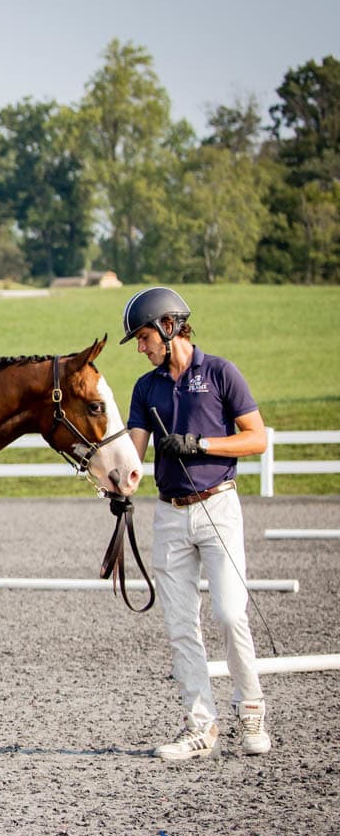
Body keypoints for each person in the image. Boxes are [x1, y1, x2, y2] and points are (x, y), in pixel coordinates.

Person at [121, 287, 270, 762]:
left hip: (217, 507)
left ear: (168, 327)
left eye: (144, 337)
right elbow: (135, 454)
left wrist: (201, 445)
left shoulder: (221, 373)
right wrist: (118, 482)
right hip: (170, 513)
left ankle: (251, 709)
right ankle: (200, 725)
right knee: (181, 626)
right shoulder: (145, 388)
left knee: (229, 613)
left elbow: (257, 439)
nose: (141, 348)